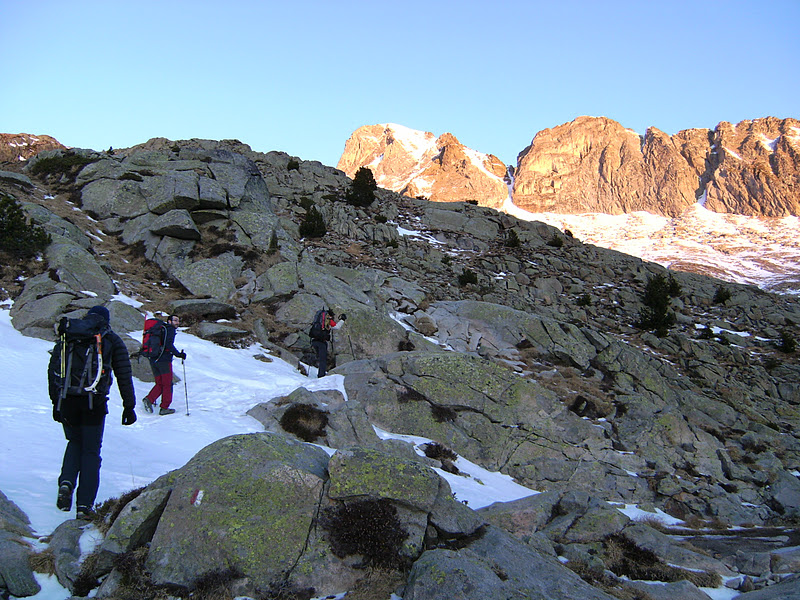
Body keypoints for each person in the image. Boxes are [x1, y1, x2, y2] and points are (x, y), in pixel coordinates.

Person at [48, 305, 137, 520]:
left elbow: (53, 370)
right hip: (93, 403)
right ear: (106, 320)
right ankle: (84, 507)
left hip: (67, 401)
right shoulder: (111, 339)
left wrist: (56, 402)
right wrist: (129, 406)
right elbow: (124, 375)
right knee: (90, 452)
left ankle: (67, 483)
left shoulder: (69, 335)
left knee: (74, 443)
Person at [142, 314, 186, 416]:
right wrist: (179, 354)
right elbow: (168, 345)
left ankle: (149, 399)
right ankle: (164, 407)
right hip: (164, 360)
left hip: (153, 359)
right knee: (167, 384)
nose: (177, 323)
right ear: (169, 321)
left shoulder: (160, 330)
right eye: (175, 320)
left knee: (160, 383)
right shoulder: (169, 329)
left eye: (178, 321)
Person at [310, 309, 345, 378]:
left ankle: (312, 371)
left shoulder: (318, 320)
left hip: (314, 340)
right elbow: (337, 327)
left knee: (317, 357)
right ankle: (321, 375)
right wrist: (342, 320)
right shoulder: (328, 320)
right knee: (323, 359)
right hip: (322, 342)